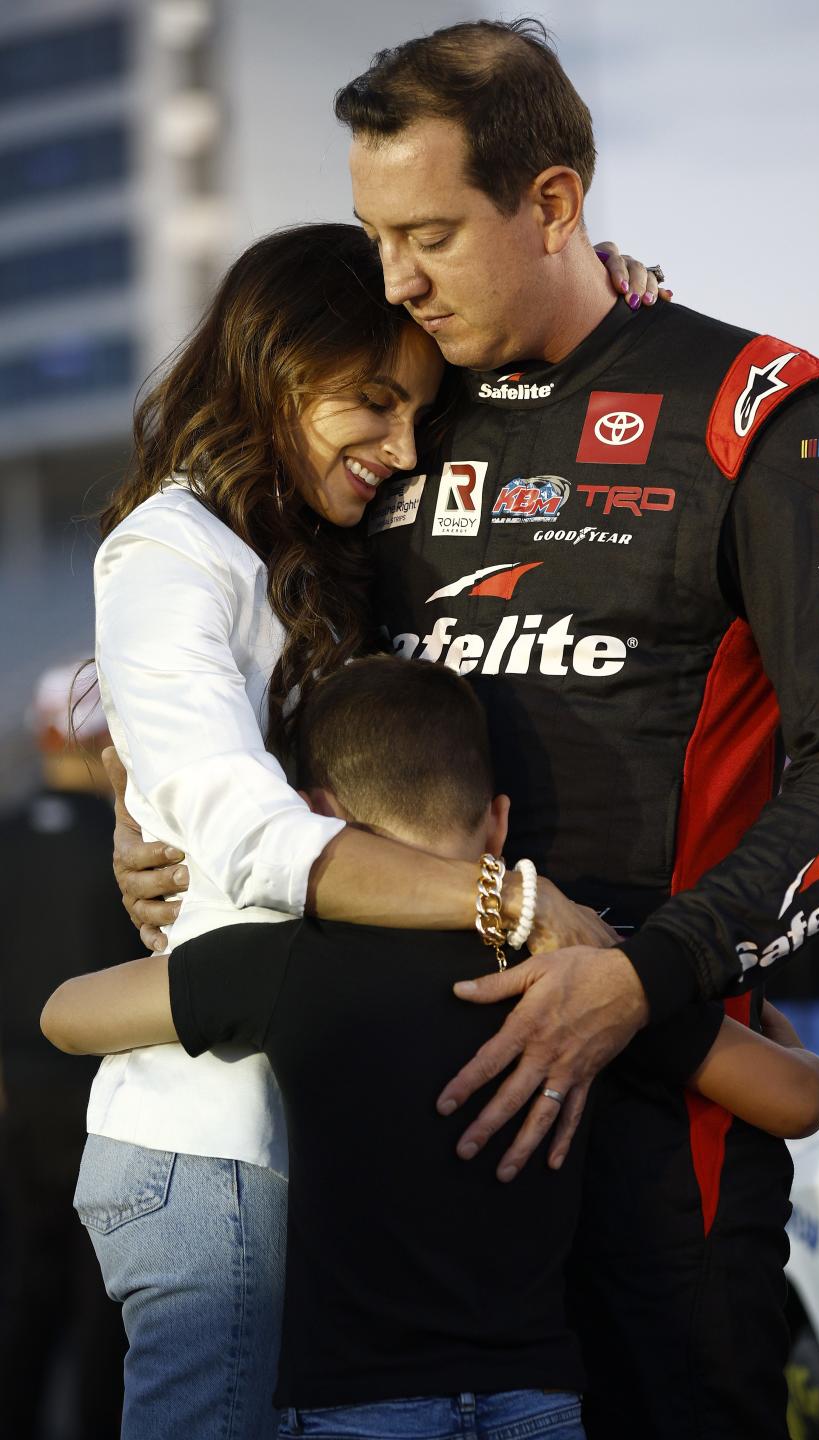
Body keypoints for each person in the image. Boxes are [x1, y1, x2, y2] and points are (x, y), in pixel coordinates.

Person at [111, 18, 819, 1439]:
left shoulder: (762, 415)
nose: (395, 279)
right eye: (375, 236)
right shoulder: (396, 408)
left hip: (657, 1141)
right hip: (395, 1182)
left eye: (428, 232)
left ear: (554, 205)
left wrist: (657, 972)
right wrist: (155, 814)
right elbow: (237, 655)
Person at [84, 220, 631, 1440]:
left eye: (417, 417)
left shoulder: (291, 552)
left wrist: (613, 280)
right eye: (371, 405)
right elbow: (255, 836)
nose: (398, 449)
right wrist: (516, 903)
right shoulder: (173, 553)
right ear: (275, 366)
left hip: (299, 1139)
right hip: (209, 1140)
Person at [43, 658, 819, 1440]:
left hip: (352, 1410)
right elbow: (800, 1099)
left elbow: (65, 1016)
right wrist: (758, 1025)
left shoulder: (282, 962)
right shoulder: (582, 976)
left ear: (318, 819)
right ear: (496, 822)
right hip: (537, 1403)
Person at [0, 664, 136, 1439]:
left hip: (16, 1098)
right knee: (103, 1299)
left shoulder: (5, 836)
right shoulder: (128, 853)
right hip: (103, 1097)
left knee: (23, 1281)